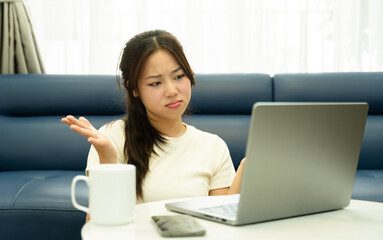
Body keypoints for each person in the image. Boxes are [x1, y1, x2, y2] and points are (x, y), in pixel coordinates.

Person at [61, 30, 245, 206]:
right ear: (134, 89)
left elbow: (220, 221)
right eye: (155, 83)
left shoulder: (213, 146)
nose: (172, 91)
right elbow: (96, 225)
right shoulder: (112, 138)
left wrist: (247, 168)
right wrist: (108, 161)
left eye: (179, 76)